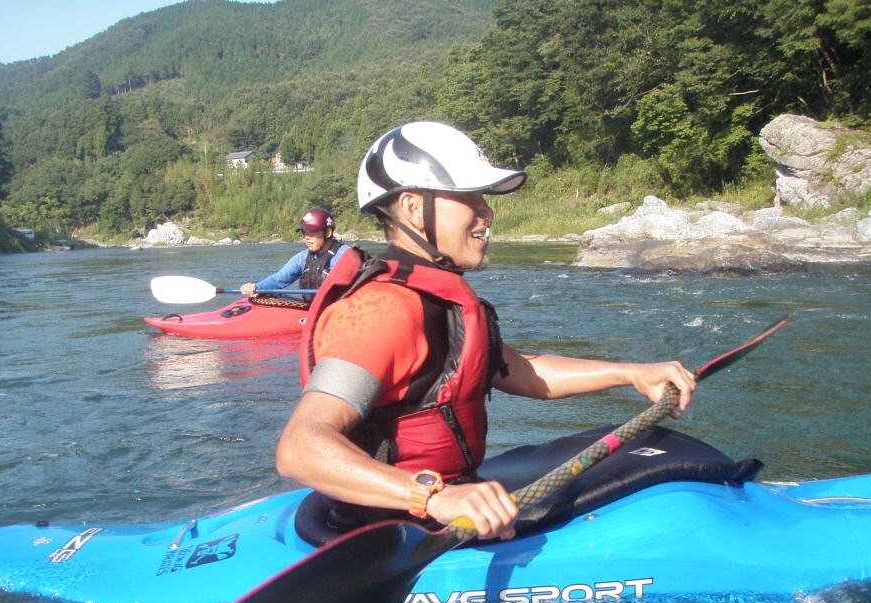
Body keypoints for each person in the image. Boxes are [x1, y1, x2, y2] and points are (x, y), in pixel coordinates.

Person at [276, 122, 697, 542]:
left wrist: (632, 373)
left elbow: (523, 371)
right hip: (391, 530)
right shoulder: (381, 311)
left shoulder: (436, 299)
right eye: (468, 198)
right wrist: (434, 497)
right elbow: (300, 447)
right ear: (412, 208)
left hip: (441, 504)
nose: (486, 212)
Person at [240, 207, 351, 296]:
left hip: (339, 312)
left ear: (328, 232)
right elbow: (279, 279)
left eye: (312, 232)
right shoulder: (302, 258)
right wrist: (257, 288)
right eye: (304, 233)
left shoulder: (347, 256)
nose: (307, 237)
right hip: (312, 310)